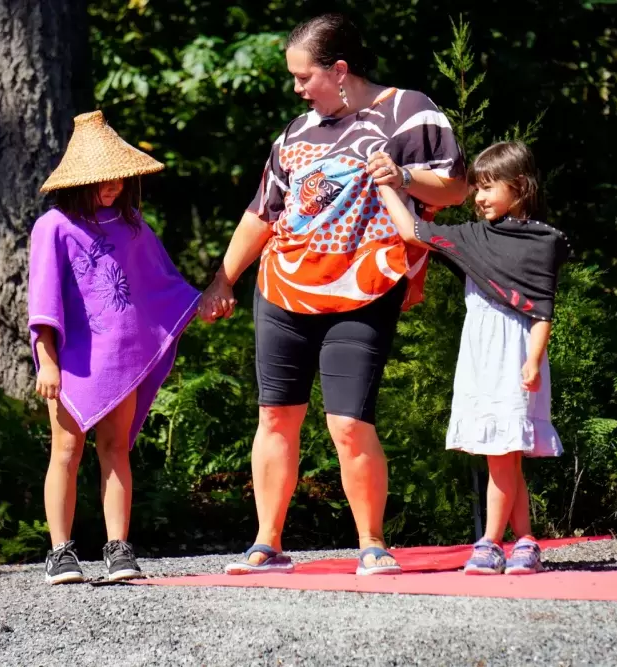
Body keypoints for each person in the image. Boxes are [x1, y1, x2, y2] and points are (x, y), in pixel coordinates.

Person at [199, 13, 466, 576]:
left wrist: (402, 177)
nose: (297, 88)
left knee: (348, 421)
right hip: (282, 288)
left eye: (304, 77)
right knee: (275, 415)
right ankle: (266, 544)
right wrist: (223, 277)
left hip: (365, 289)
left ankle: (372, 543)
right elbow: (263, 212)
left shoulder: (408, 111)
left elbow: (457, 185)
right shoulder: (296, 132)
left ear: (339, 70)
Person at [377, 141, 570, 575]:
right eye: (475, 188)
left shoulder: (539, 242)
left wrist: (534, 362)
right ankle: (524, 542)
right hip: (480, 355)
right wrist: (388, 186)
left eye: (487, 187)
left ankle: (489, 542)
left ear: (518, 186)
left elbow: (542, 311)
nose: (477, 197)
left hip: (515, 356)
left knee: (503, 451)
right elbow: (413, 232)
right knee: (503, 453)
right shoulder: (474, 238)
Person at [29, 111, 200, 584]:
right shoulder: (53, 226)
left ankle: (118, 548)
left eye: (120, 177)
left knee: (116, 448)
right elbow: (42, 300)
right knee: (66, 449)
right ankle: (60, 552)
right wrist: (46, 359)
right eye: (104, 179)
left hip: (122, 358)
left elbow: (160, 283)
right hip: (72, 362)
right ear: (81, 180)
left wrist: (201, 302)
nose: (115, 186)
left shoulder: (133, 226)